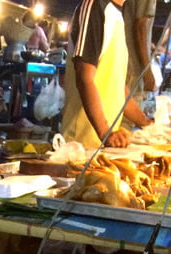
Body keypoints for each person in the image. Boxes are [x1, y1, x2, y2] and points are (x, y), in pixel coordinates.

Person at [61, 0, 152, 149]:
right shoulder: (94, 6)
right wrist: (105, 131)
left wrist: (147, 124)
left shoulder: (119, 15)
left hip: (104, 145)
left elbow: (117, 88)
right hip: (81, 145)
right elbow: (85, 78)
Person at [123, 0, 157, 125]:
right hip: (133, 68)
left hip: (123, 64)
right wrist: (147, 72)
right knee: (125, 125)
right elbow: (139, 27)